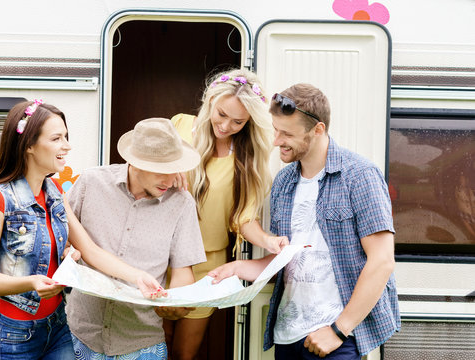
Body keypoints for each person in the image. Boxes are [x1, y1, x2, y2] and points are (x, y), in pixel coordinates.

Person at [209, 83, 401, 359]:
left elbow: (382, 262)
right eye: (275, 130)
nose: (276, 141)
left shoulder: (360, 176)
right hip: (288, 336)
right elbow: (289, 258)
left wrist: (338, 330)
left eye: (286, 133)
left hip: (335, 337)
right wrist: (239, 268)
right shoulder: (284, 181)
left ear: (318, 130)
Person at [0, 100, 166, 360]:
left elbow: (90, 250)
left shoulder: (54, 194)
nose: (67, 145)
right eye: (56, 138)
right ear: (29, 145)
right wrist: (30, 282)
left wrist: (137, 277)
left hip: (58, 326)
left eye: (66, 136)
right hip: (14, 335)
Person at [165, 68, 289, 360]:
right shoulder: (179, 126)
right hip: (159, 257)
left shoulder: (244, 158)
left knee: (183, 355)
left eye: (238, 121)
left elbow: (243, 219)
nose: (225, 125)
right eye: (221, 114)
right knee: (155, 348)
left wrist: (269, 241)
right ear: (210, 101)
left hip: (206, 264)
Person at [65, 117, 207, 359]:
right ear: (135, 162)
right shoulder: (90, 182)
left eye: (175, 169)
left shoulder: (182, 204)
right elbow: (63, 240)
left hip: (142, 347)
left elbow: (183, 271)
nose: (171, 180)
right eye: (162, 170)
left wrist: (175, 303)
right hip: (79, 337)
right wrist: (69, 253)